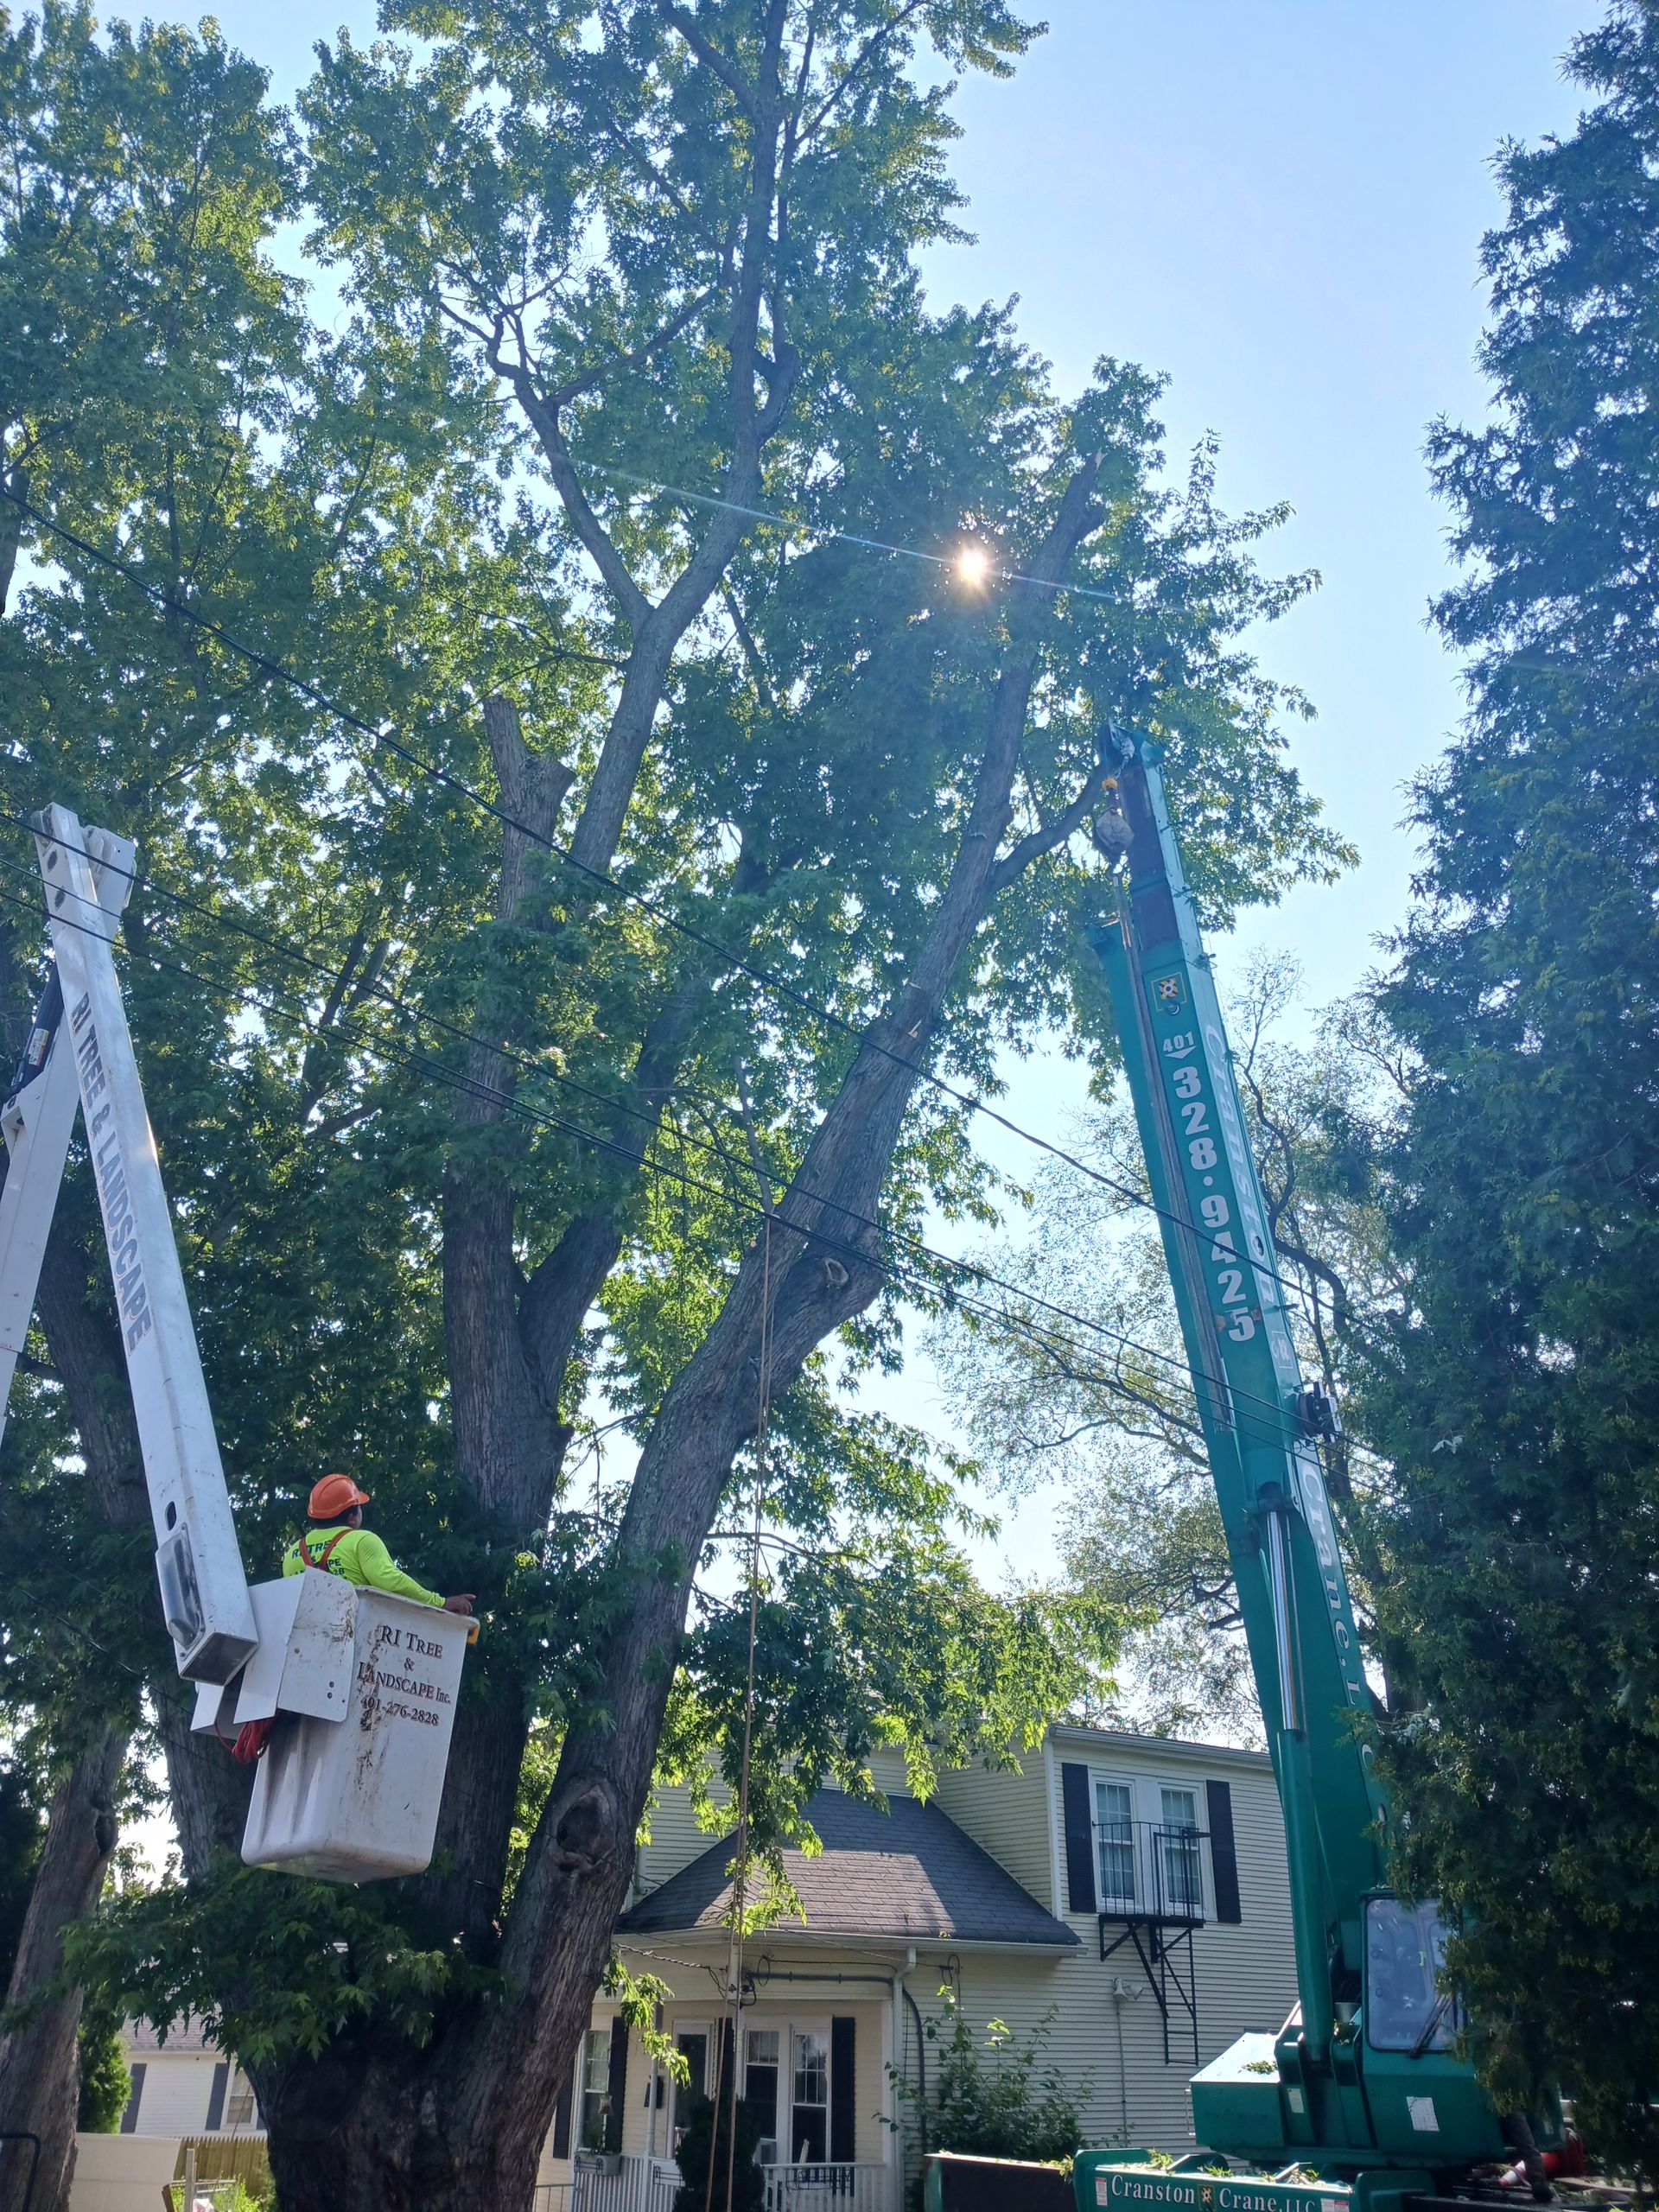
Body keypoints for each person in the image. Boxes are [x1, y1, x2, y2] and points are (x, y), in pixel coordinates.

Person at [283, 1475, 474, 1614]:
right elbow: (390, 1581)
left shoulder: (293, 1553)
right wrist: (440, 1603)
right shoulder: (361, 1540)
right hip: (355, 1642)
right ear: (351, 1517)